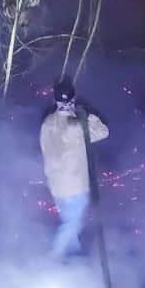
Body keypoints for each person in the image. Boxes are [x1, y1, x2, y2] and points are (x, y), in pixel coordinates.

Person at [39, 76, 109, 258]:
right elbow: (103, 132)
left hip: (55, 186)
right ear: (73, 99)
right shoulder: (75, 127)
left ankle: (73, 260)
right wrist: (88, 115)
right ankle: (51, 260)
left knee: (69, 223)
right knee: (72, 224)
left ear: (55, 99)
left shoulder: (47, 123)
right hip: (75, 186)